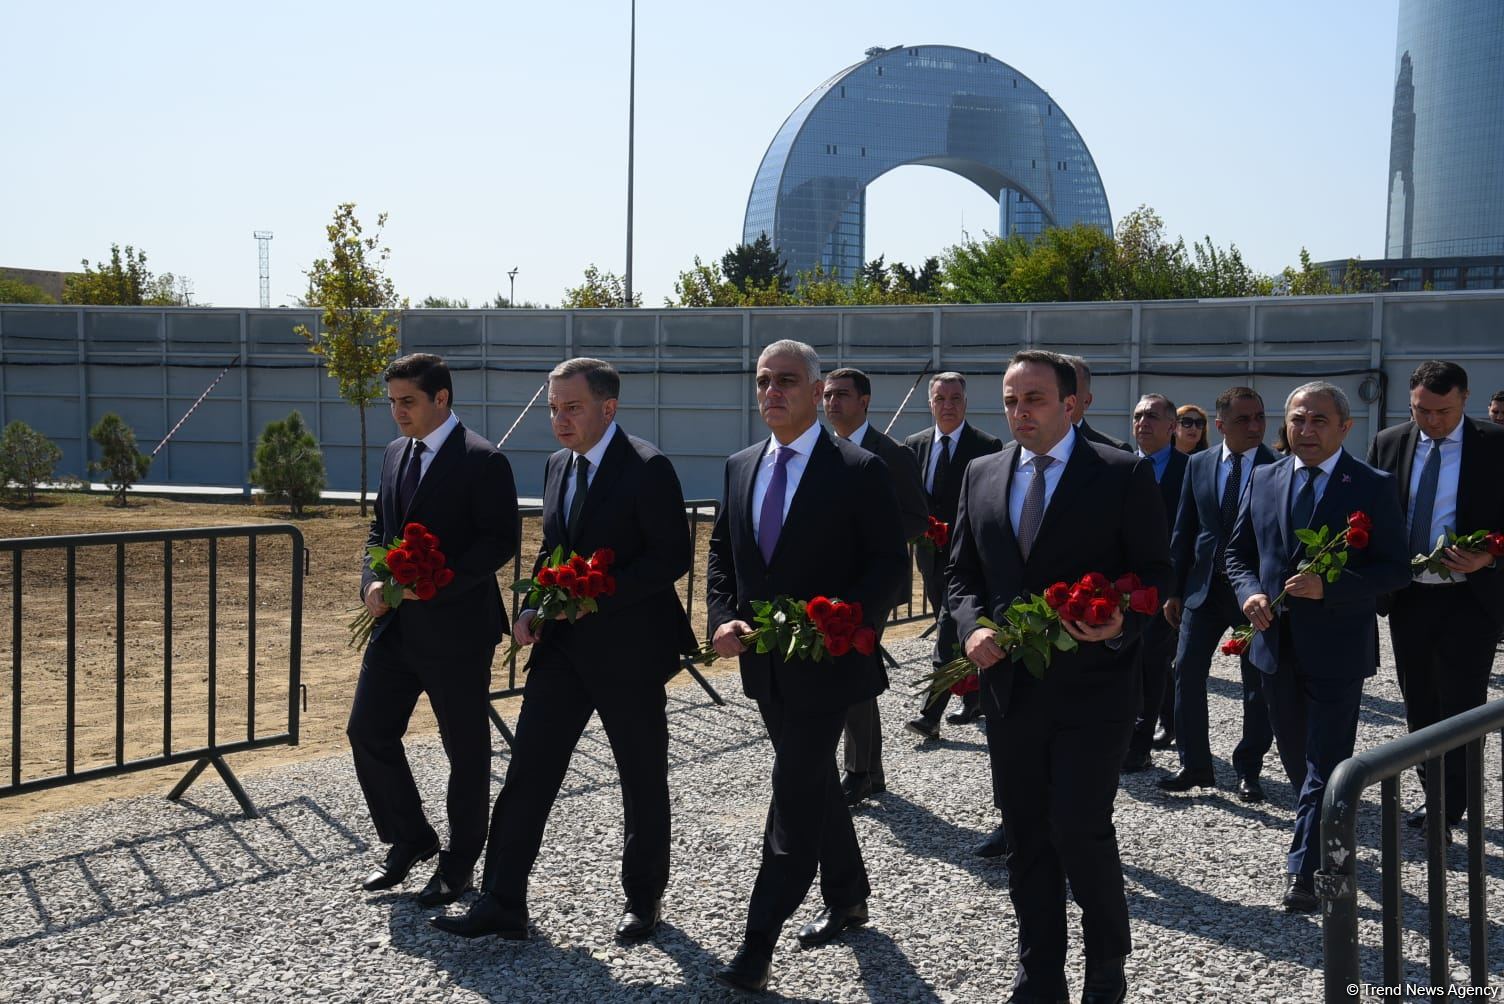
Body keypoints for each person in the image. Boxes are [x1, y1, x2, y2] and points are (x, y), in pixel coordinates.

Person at [430, 357, 696, 941]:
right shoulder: (556, 465)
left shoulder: (648, 467)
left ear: (609, 407)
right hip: (564, 651)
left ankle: (643, 899)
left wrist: (600, 595)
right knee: (528, 772)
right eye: (553, 408)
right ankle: (503, 900)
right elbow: (554, 545)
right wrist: (533, 606)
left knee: (641, 776)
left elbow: (671, 555)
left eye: (571, 407)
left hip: (630, 649)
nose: (559, 420)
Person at [948, 350, 1170, 1004]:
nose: (1020, 412)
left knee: (1078, 826)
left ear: (1070, 404)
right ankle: (1038, 971)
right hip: (1011, 691)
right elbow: (960, 576)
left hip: (1095, 688)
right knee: (1025, 834)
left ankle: (1107, 962)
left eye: (1035, 399)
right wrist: (972, 628)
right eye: (1012, 400)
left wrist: (1120, 622)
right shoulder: (980, 474)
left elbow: (1159, 574)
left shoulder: (1121, 474)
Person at [706, 340, 907, 992]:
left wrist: (848, 624)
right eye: (763, 380)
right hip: (766, 669)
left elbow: (886, 570)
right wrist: (722, 617)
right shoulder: (739, 467)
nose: (771, 391)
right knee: (815, 782)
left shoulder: (858, 469)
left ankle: (756, 944)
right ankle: (848, 894)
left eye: (786, 380)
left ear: (818, 391)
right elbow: (722, 563)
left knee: (792, 794)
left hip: (831, 668)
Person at [1226, 381, 1410, 912]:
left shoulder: (1371, 485)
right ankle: (1326, 831)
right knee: (1297, 758)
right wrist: (1250, 594)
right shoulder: (1263, 478)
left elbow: (1395, 569)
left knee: (1325, 762)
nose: (1305, 431)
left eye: (1318, 421)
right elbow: (1237, 553)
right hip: (1274, 647)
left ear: (1345, 427)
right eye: (1298, 420)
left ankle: (1307, 875)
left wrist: (1332, 586)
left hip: (1338, 648)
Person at [348, 353, 519, 907]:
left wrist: (439, 582)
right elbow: (381, 528)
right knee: (367, 731)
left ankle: (461, 862)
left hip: (458, 629)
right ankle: (410, 838)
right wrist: (372, 580)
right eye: (392, 401)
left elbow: (500, 541)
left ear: (440, 399)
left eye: (408, 401)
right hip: (395, 627)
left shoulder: (483, 459)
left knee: (464, 750)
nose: (397, 412)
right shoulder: (397, 452)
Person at [1367, 361, 1504, 829]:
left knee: (1462, 703)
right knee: (1419, 700)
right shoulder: (1390, 443)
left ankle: (1454, 803)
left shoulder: (1495, 445)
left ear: (1465, 397)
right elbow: (1372, 516)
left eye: (1442, 411)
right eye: (1421, 410)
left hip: (1472, 598)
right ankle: (1434, 792)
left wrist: (1490, 557)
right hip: (1409, 596)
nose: (1431, 421)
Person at [1160, 387, 1277, 802]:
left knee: (1256, 685)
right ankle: (1195, 766)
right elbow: (1184, 530)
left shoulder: (1277, 467)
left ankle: (1249, 769)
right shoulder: (1199, 465)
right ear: (1220, 424)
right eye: (1244, 419)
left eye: (1260, 417)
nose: (1255, 426)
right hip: (1203, 590)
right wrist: (1174, 590)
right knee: (1186, 672)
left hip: (1254, 594)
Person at [823, 367, 929, 806]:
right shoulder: (820, 450)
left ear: (864, 401)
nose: (832, 403)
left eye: (842, 395)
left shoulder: (891, 453)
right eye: (827, 395)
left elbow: (917, 517)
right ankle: (872, 772)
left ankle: (858, 771)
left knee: (851, 669)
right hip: (829, 584)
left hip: (874, 584)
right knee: (852, 672)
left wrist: (868, 537)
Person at [902, 373, 1002, 744]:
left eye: (955, 398)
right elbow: (911, 498)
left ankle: (930, 714)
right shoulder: (914, 445)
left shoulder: (986, 445)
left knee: (947, 630)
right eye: (940, 398)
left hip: (970, 559)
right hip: (930, 558)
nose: (948, 405)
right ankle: (974, 697)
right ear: (930, 403)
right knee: (958, 629)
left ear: (966, 403)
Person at [1122, 394, 1189, 775]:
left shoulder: (1189, 470)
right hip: (1124, 585)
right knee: (1135, 660)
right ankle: (1164, 722)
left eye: (1152, 416)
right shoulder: (1122, 466)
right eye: (1137, 416)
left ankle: (1139, 745)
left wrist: (1175, 590)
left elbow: (1190, 533)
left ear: (1171, 427)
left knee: (1150, 661)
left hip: (1165, 587)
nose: (1143, 422)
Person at [1061, 354, 1132, 452]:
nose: (1059, 397)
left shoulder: (1116, 451)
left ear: (1087, 401)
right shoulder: (1033, 445)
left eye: (1068, 390)